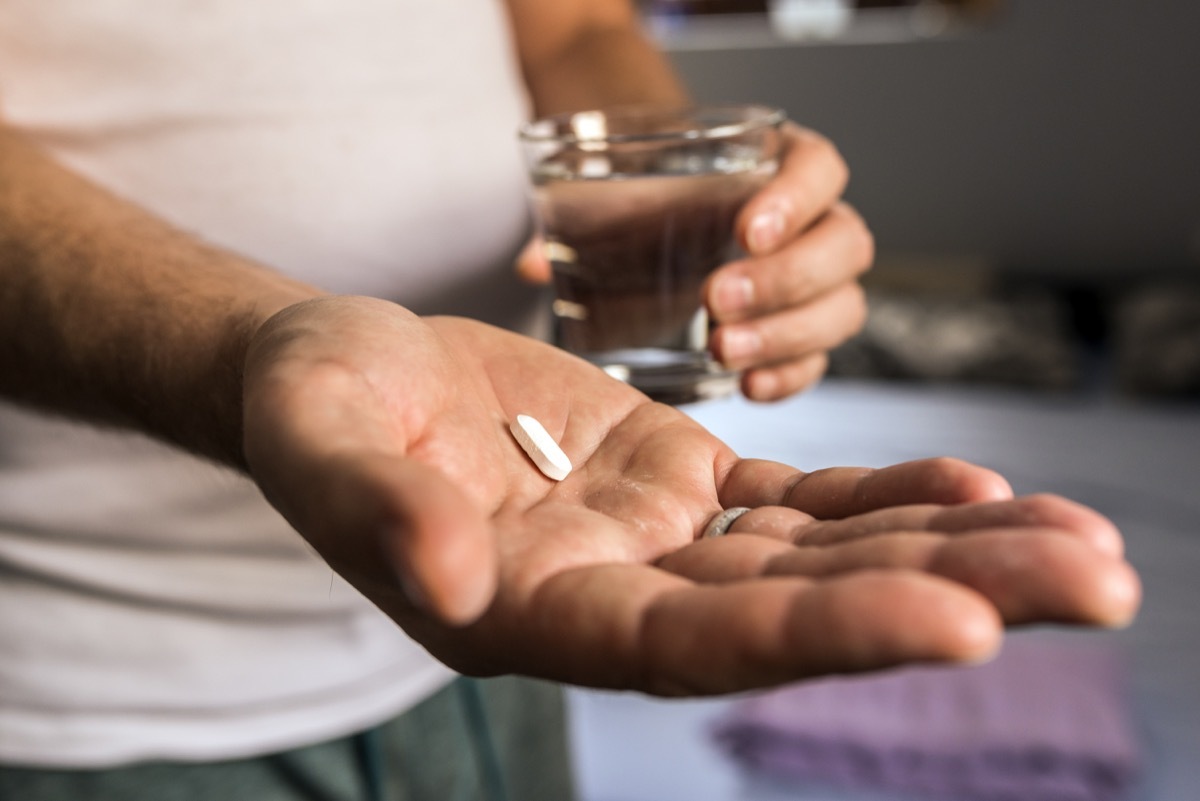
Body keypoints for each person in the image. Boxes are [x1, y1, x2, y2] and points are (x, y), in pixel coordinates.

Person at [0, 1, 1140, 799]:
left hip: (494, 632)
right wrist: (248, 348)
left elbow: (577, 24)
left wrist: (684, 194)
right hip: (102, 701)